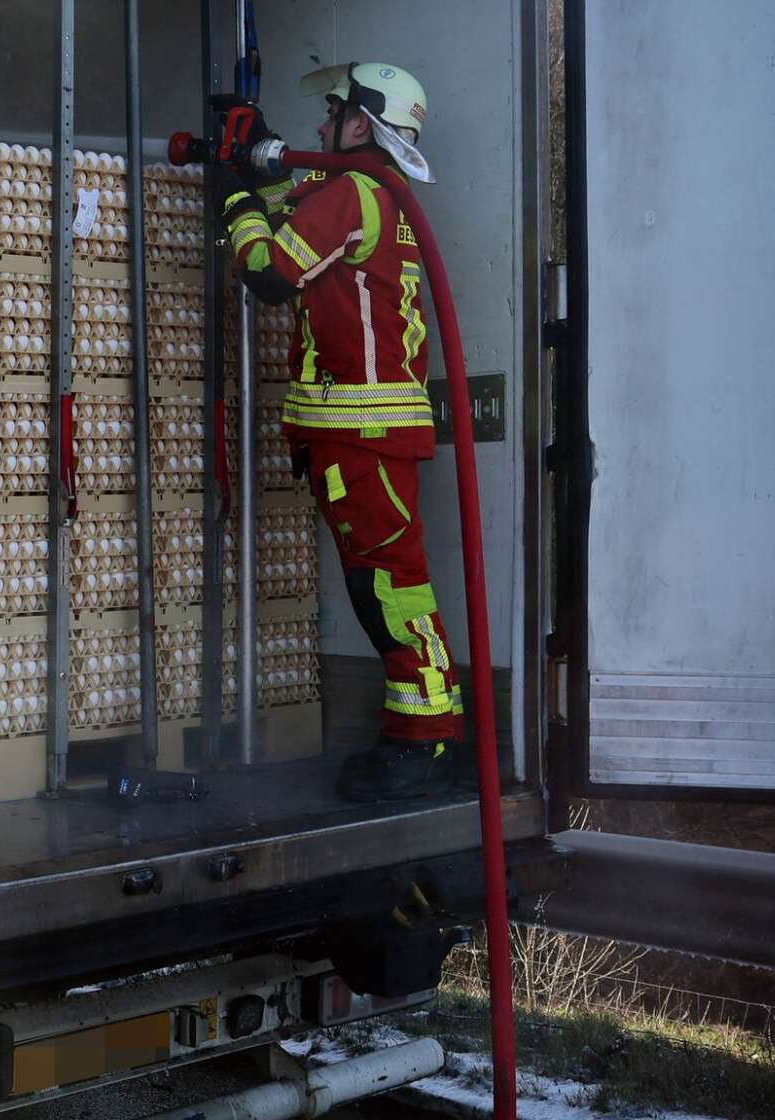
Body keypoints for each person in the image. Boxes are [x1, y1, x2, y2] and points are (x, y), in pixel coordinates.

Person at [215, 63, 463, 801]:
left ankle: (427, 736)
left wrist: (232, 197)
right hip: (365, 430)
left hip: (363, 430)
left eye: (332, 113)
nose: (321, 126)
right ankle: (420, 729)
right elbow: (298, 229)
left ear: (360, 124)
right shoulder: (374, 194)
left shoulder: (353, 191)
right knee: (382, 581)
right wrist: (260, 166)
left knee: (389, 585)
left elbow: (269, 269)